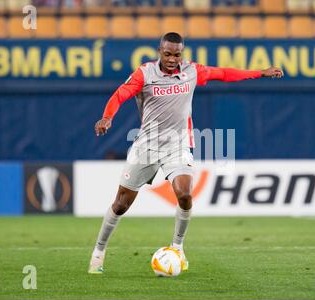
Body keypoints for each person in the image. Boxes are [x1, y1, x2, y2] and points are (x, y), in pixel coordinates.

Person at [89, 32, 284, 274]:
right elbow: (120, 95)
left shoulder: (192, 71)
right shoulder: (145, 73)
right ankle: (99, 251)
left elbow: (223, 74)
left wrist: (259, 72)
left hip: (178, 145)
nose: (172, 59)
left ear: (182, 53)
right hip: (146, 147)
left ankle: (178, 248)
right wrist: (107, 117)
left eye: (177, 54)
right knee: (120, 205)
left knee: (184, 194)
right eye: (168, 53)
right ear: (160, 51)